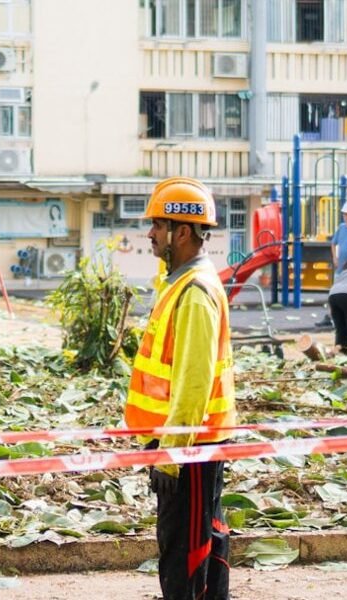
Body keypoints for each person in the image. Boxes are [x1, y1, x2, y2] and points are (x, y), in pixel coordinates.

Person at [125, 176, 235, 600]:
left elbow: (193, 384)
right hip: (191, 445)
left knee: (186, 554)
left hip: (189, 449)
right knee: (202, 540)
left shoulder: (194, 292)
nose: (150, 234)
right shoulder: (182, 283)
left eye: (157, 225)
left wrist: (171, 457)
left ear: (182, 232)